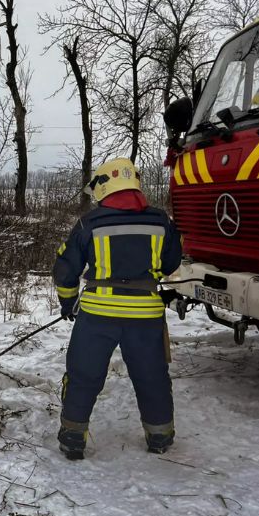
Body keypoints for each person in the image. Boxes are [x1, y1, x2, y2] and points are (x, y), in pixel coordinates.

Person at [53, 158, 182, 460]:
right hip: (146, 315)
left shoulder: (88, 223)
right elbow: (171, 263)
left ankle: (73, 438)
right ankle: (160, 436)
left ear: (104, 186)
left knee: (83, 375)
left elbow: (65, 269)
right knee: (152, 376)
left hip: (98, 315)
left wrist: (68, 303)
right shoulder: (161, 221)